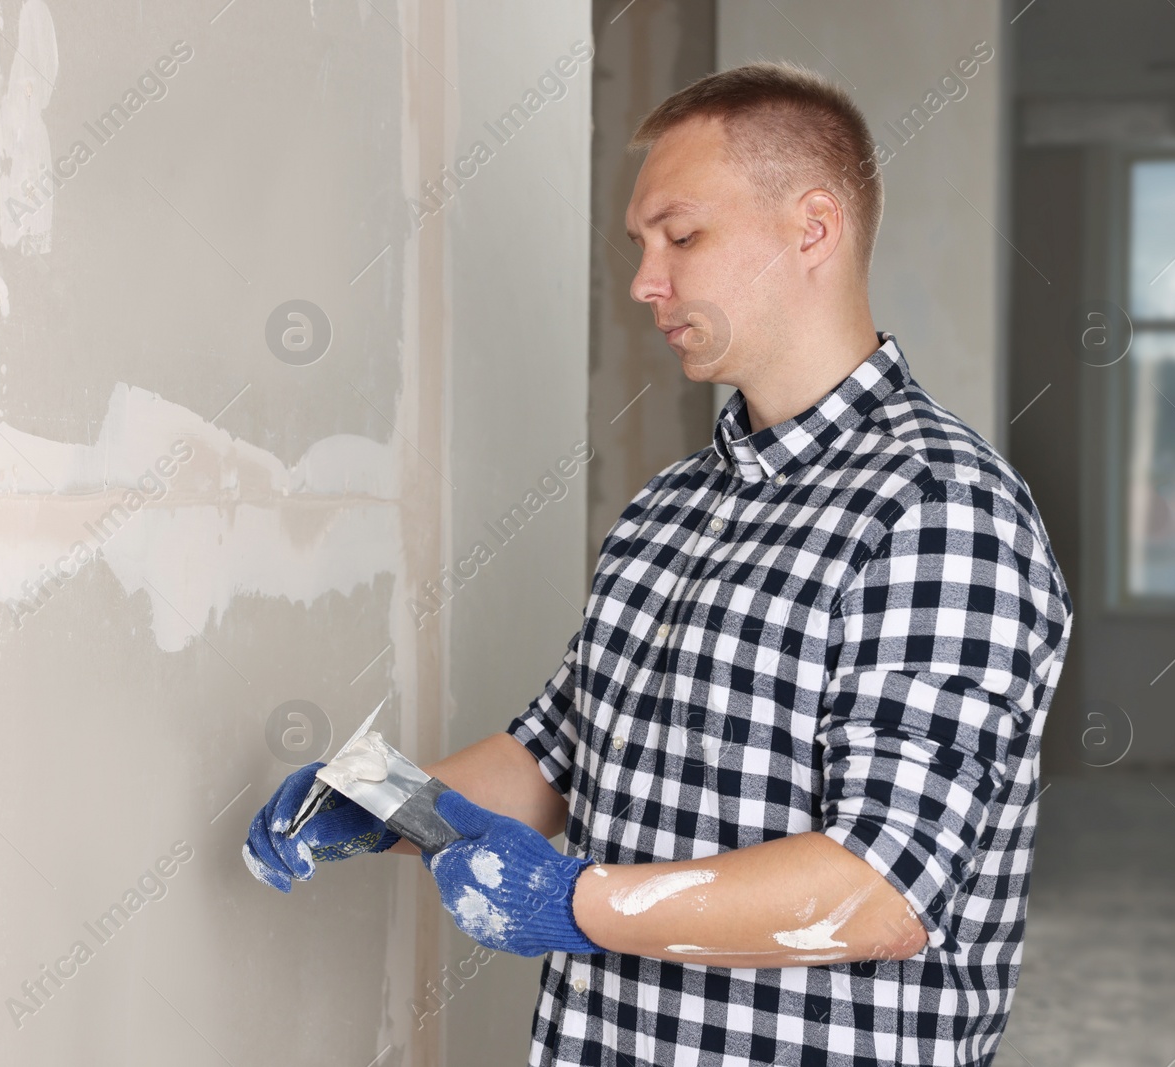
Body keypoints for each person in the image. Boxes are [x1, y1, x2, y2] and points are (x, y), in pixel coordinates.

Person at [245, 60, 1071, 1067]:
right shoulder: (670, 507)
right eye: (642, 244)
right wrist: (379, 803)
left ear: (813, 228)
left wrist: (574, 901)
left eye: (682, 236)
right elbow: (555, 756)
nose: (644, 280)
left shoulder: (938, 512)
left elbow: (880, 887)